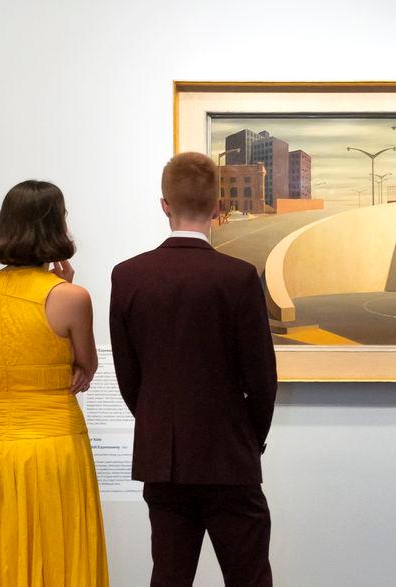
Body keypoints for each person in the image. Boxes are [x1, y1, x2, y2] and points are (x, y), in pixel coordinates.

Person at [109, 152, 277, 586]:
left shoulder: (127, 276)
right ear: (218, 207)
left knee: (169, 578)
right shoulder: (238, 277)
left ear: (164, 204)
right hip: (229, 457)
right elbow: (261, 379)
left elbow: (130, 379)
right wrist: (248, 439)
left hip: (163, 460)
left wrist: (157, 422)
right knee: (249, 578)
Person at [0, 180, 109, 586]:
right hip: (54, 446)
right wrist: (66, 284)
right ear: (56, 226)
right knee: (60, 555)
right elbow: (87, 368)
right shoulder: (71, 297)